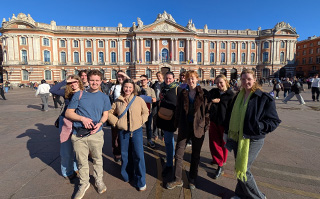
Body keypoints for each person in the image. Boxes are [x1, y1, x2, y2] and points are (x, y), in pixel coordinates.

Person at [224, 69, 281, 199]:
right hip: (237, 137)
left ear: (254, 80)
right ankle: (240, 193)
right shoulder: (237, 96)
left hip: (254, 138)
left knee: (244, 169)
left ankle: (259, 197)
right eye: (243, 79)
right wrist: (226, 132)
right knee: (239, 166)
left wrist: (259, 126)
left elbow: (274, 121)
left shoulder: (263, 98)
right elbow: (229, 116)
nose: (246, 82)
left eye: (249, 79)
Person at [66, 70, 111, 199]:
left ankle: (98, 180)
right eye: (92, 80)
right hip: (79, 134)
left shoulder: (104, 97)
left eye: (97, 80)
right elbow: (69, 113)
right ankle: (84, 183)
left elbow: (105, 114)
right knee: (82, 161)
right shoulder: (79, 95)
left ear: (101, 81)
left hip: (96, 134)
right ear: (87, 80)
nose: (94, 83)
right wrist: (82, 119)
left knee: (97, 159)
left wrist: (100, 123)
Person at [166, 70, 208, 190]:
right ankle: (177, 179)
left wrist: (205, 126)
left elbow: (207, 111)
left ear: (197, 79)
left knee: (195, 155)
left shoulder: (203, 93)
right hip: (184, 127)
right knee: (178, 154)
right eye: (188, 79)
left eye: (193, 78)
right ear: (186, 81)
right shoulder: (183, 93)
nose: (191, 81)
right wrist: (177, 123)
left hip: (198, 128)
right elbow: (178, 109)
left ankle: (193, 178)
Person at [107, 79, 149, 191]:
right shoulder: (117, 101)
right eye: (126, 87)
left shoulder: (139, 100)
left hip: (136, 131)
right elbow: (109, 113)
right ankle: (127, 175)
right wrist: (117, 122)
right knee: (125, 155)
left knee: (139, 156)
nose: (128, 89)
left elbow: (146, 112)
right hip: (123, 131)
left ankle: (141, 181)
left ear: (133, 88)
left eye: (130, 87)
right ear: (122, 88)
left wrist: (141, 121)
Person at [50, 75, 84, 179]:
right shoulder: (66, 93)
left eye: (75, 82)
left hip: (79, 122)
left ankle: (75, 168)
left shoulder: (84, 93)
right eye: (71, 83)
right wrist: (65, 81)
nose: (73, 84)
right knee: (66, 148)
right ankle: (67, 172)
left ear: (79, 82)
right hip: (66, 122)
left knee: (78, 148)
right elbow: (53, 89)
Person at [207, 74, 235, 179]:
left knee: (223, 144)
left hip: (225, 123)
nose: (219, 85)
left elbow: (232, 112)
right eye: (217, 83)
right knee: (214, 143)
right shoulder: (214, 92)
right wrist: (212, 101)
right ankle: (219, 161)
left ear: (226, 82)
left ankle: (220, 163)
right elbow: (205, 96)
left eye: (221, 82)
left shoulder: (231, 95)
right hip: (214, 121)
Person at [156, 71, 180, 176]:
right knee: (167, 139)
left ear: (174, 79)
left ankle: (170, 164)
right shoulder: (163, 87)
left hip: (171, 119)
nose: (168, 80)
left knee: (169, 141)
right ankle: (171, 156)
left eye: (170, 78)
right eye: (166, 78)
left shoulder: (177, 89)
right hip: (163, 117)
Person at [109, 70, 126, 162]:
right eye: (119, 76)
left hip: (125, 113)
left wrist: (125, 75)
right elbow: (109, 98)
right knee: (115, 135)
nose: (120, 78)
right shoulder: (114, 87)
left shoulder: (128, 86)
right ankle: (116, 153)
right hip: (115, 113)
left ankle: (124, 152)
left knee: (124, 134)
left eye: (122, 76)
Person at [138, 75, 156, 148]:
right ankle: (138, 141)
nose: (143, 81)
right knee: (138, 127)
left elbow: (154, 99)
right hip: (139, 111)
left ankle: (149, 140)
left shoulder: (151, 90)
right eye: (141, 80)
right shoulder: (138, 89)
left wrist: (148, 99)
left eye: (144, 80)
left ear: (147, 80)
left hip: (149, 111)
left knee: (148, 127)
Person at [151, 72, 164, 141]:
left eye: (160, 76)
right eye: (157, 76)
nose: (159, 77)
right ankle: (155, 134)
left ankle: (163, 135)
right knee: (155, 119)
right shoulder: (154, 84)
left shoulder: (165, 84)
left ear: (162, 76)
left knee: (163, 119)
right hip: (155, 104)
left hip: (162, 104)